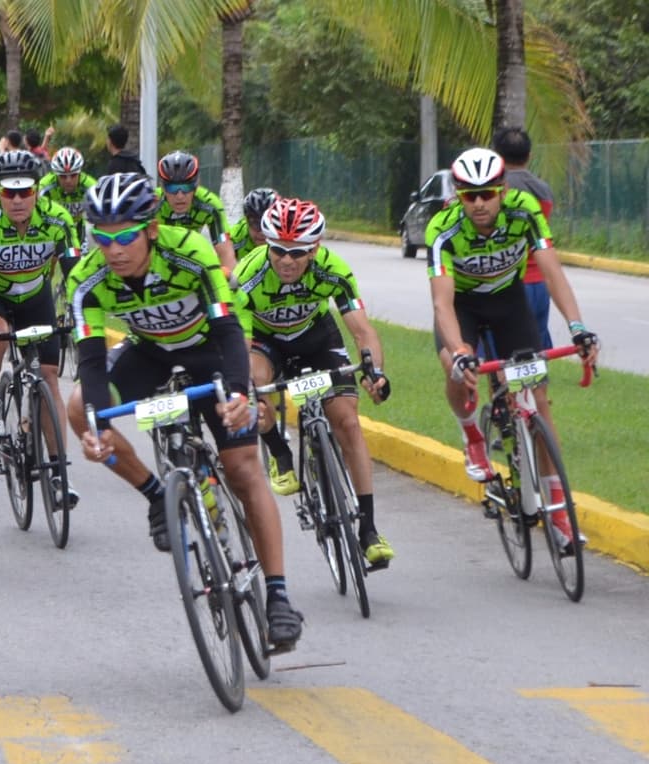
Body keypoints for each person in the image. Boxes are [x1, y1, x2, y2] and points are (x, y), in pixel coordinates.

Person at [64, 173, 303, 649]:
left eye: (125, 237)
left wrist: (238, 394)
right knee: (77, 408)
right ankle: (156, 495)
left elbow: (229, 329)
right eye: (103, 239)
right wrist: (96, 424)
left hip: (209, 349)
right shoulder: (85, 278)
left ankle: (278, 596)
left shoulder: (190, 251)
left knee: (242, 468)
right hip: (149, 352)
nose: (114, 251)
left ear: (151, 229)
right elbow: (89, 359)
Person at [426, 147, 599, 553]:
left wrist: (577, 327)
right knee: (455, 366)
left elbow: (552, 272)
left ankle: (559, 515)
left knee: (538, 400)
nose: (479, 203)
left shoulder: (524, 210)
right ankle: (471, 433)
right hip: (463, 305)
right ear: (458, 196)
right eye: (470, 195)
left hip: (508, 300)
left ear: (503, 190)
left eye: (487, 193)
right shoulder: (442, 228)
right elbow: (441, 304)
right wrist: (460, 351)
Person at [232, 198, 395, 567]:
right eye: (278, 250)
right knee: (254, 384)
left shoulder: (333, 270)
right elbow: (239, 345)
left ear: (315, 248)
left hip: (316, 337)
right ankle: (279, 452)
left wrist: (375, 372)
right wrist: (246, 391)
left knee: (348, 422)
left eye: (297, 252)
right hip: (265, 342)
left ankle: (369, 529)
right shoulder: (246, 277)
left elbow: (362, 330)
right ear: (266, 244)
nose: (287, 261)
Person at [0, 150, 82, 507]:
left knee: (48, 377)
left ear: (37, 191)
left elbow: (77, 273)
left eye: (25, 192)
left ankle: (59, 473)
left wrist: (80, 315)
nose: (17, 200)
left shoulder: (59, 220)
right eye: (9, 192)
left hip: (35, 296)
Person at [492, 127, 555, 350]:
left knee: (503, 353)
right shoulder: (544, 190)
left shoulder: (496, 191)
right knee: (536, 349)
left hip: (510, 282)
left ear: (497, 157)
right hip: (540, 283)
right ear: (529, 156)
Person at [156, 150, 238, 272]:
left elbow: (225, 250)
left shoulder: (210, 205)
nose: (179, 196)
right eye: (172, 188)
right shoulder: (152, 203)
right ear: (162, 187)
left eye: (186, 187)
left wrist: (232, 280)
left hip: (192, 260)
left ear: (196, 185)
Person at [38, 147, 98, 231]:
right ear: (56, 174)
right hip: (54, 226)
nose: (68, 181)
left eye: (73, 175)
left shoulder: (91, 186)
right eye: (63, 176)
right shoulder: (45, 186)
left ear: (79, 173)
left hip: (78, 225)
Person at [229, 187, 277, 261]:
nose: (262, 232)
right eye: (256, 224)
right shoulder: (233, 240)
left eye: (269, 225)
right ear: (246, 220)